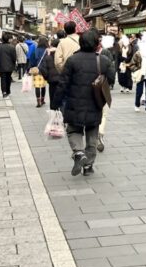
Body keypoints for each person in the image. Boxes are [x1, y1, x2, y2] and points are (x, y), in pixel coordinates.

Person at [61, 29, 114, 176]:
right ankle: (88, 166)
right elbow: (111, 79)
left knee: (73, 129)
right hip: (95, 102)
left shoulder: (72, 60)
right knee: (92, 133)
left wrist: (55, 102)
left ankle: (79, 153)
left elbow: (63, 83)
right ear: (97, 44)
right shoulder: (103, 60)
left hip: (74, 102)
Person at [131, 32, 146, 114]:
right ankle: (137, 105)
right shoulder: (137, 54)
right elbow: (132, 64)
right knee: (139, 91)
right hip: (140, 75)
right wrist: (136, 70)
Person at [30, 37, 50, 107]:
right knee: (43, 86)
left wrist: (31, 67)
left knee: (37, 86)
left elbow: (32, 60)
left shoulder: (36, 50)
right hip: (45, 70)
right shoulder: (47, 50)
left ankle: (38, 102)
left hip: (37, 70)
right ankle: (42, 100)